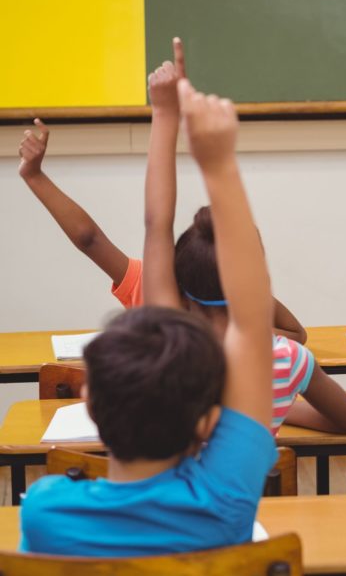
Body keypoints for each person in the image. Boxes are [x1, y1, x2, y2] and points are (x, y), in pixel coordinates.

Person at [21, 77, 277, 556]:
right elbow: (251, 320)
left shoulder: (46, 512)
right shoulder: (224, 502)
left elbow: (156, 228)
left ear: (91, 403)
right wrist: (218, 163)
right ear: (208, 423)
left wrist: (164, 117)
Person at [137, 42, 346, 436]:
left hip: (172, 500)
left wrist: (165, 112)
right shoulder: (287, 360)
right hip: (244, 500)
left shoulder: (166, 345)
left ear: (181, 289)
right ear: (257, 278)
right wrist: (275, 413)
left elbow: (157, 223)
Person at [18, 115, 307, 343]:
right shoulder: (242, 323)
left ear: (176, 260)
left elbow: (88, 238)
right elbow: (297, 334)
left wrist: (34, 176)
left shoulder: (151, 287)